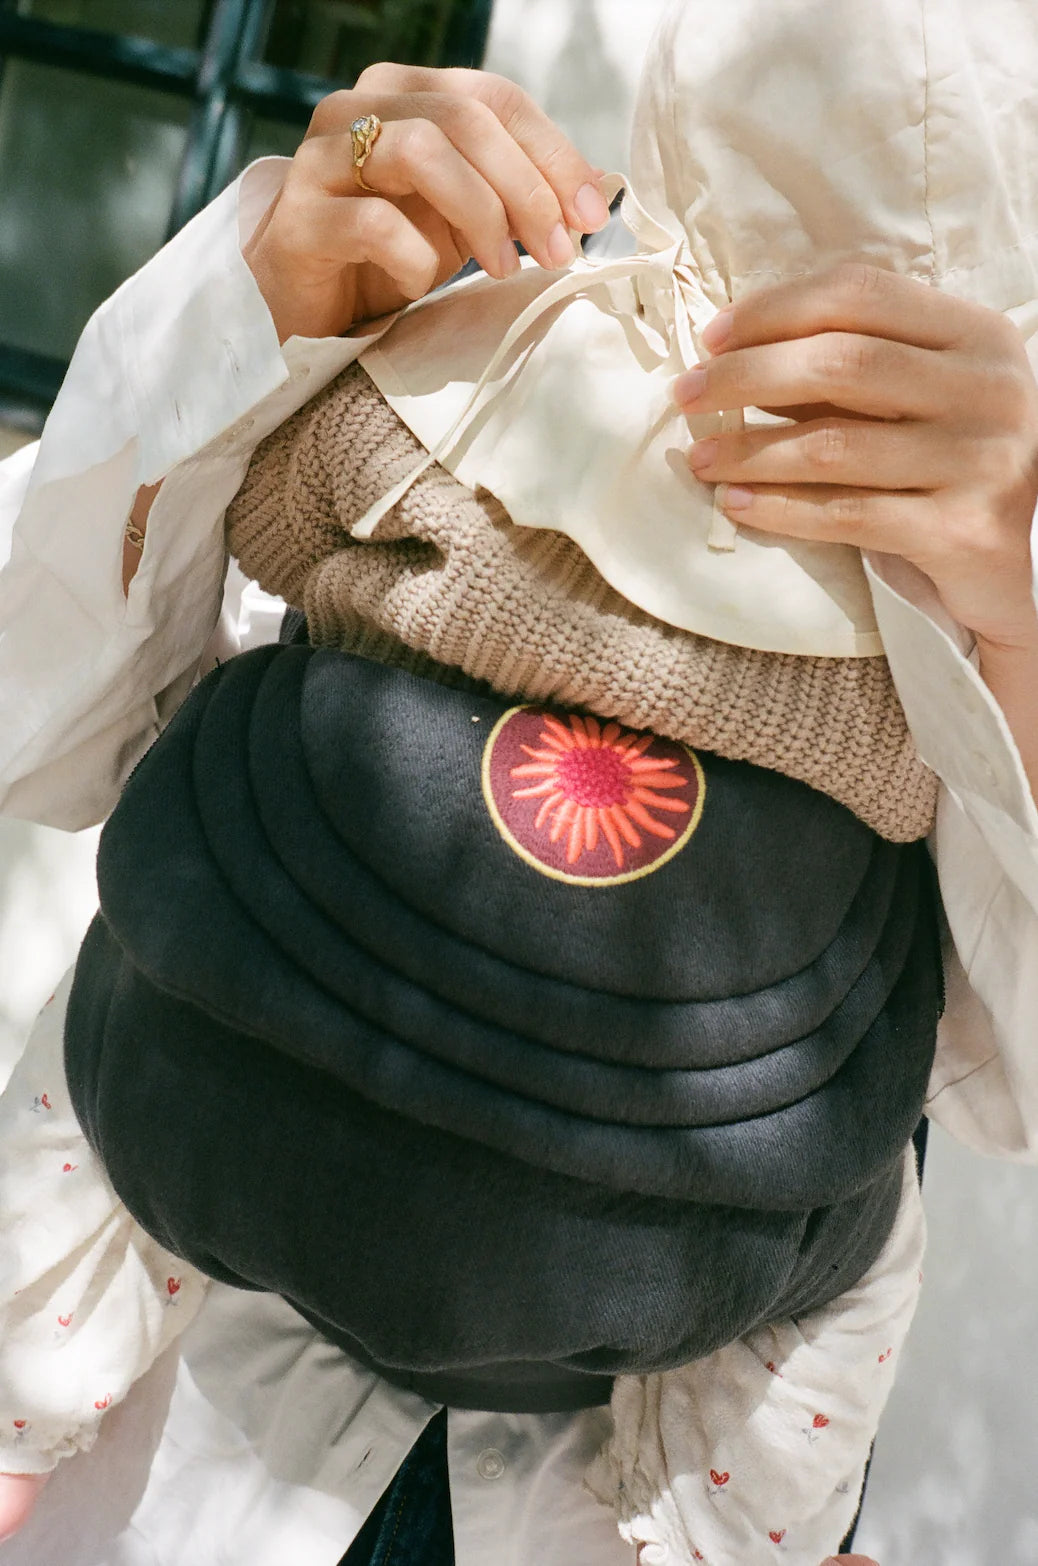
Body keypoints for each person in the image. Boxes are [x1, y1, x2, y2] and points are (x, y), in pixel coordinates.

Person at [1, 0, 1037, 1561]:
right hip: (204, 1374)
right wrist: (249, 308)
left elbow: (1003, 1073)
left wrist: (1012, 609)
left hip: (610, 1390)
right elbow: (44, 713)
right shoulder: (507, 336)